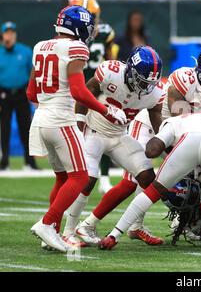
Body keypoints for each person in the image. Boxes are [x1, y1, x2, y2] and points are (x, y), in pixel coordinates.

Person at [27, 5, 127, 252]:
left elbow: (31, 92)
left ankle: (51, 233)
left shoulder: (40, 46)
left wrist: (49, 104)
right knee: (80, 177)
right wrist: (107, 111)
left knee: (63, 177)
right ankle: (48, 224)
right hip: (61, 119)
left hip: (40, 118)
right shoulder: (76, 47)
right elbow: (78, 92)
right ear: (78, 26)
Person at [61, 46, 165, 246]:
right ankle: (68, 231)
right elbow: (86, 92)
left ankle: (99, 225)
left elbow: (155, 113)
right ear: (131, 71)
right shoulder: (111, 71)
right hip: (93, 131)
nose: (146, 87)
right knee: (87, 179)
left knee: (147, 177)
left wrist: (163, 138)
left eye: (150, 82)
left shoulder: (153, 92)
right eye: (143, 81)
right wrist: (79, 125)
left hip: (119, 136)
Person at [100, 113, 201, 252]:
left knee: (152, 192)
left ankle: (113, 235)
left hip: (192, 138)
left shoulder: (172, 122)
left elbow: (152, 150)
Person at [74, 0, 117, 193]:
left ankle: (105, 177)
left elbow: (111, 60)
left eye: (92, 15)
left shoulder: (105, 32)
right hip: (78, 88)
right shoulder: (73, 34)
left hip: (99, 88)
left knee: (105, 130)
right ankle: (77, 174)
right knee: (77, 132)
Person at [0, 22, 38, 170]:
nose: (9, 35)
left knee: (26, 128)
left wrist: (33, 94)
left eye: (12, 32)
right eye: (6, 33)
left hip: (21, 93)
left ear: (15, 35)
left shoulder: (25, 51)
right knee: (4, 128)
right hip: (3, 94)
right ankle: (4, 162)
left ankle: (30, 162)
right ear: (2, 36)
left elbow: (33, 73)